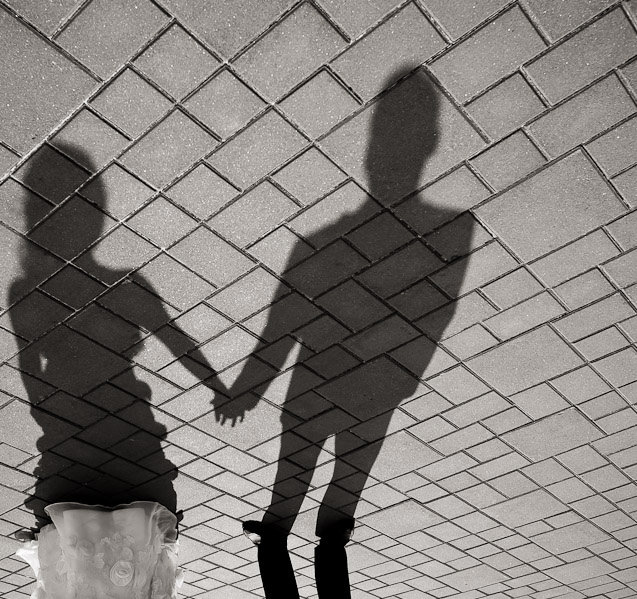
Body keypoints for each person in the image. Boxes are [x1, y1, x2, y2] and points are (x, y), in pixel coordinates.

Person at [209, 66, 474, 597]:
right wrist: (392, 379)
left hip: (316, 388)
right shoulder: (452, 230)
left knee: (291, 493)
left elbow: (279, 332)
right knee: (339, 501)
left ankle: (278, 541)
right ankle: (306, 545)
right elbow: (432, 320)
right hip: (376, 392)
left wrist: (247, 392)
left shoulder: (319, 244)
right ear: (433, 143)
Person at [9, 142, 221, 528]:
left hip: (70, 438)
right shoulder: (124, 285)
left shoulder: (27, 291)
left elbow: (29, 366)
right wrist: (218, 387)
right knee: (139, 555)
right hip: (128, 434)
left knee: (77, 559)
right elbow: (176, 340)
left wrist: (48, 417)